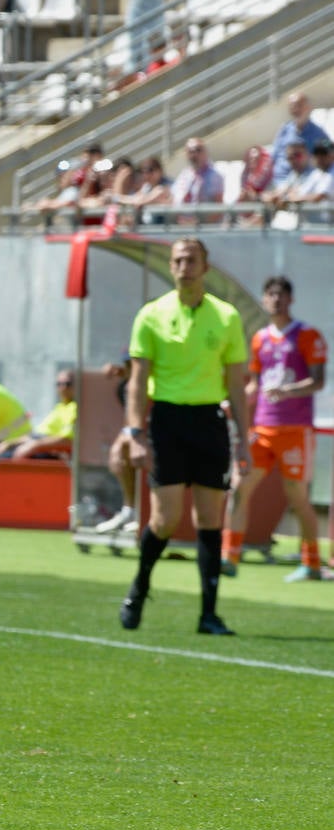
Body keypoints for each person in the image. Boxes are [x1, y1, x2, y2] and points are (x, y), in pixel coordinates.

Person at [118, 237, 249, 635]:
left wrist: (244, 438)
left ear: (205, 267)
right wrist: (135, 434)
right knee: (165, 519)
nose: (183, 267)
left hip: (210, 422)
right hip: (168, 423)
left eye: (191, 260)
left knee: (210, 518)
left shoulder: (226, 317)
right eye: (177, 260)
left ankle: (208, 614)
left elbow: (237, 386)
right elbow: (137, 383)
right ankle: (139, 588)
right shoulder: (151, 315)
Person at [222, 276, 326, 582]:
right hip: (263, 428)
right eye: (270, 295)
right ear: (264, 300)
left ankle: (312, 563)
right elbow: (255, 384)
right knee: (239, 487)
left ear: (290, 300)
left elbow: (318, 381)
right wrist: (236, 401)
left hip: (295, 430)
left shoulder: (307, 335)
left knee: (297, 495)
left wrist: (288, 390)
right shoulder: (259, 338)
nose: (275, 300)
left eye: (281, 295)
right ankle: (229, 557)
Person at [95, 356, 140, 533]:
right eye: (128, 364)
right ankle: (131, 510)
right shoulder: (126, 386)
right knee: (122, 456)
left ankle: (141, 512)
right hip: (138, 434)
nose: (132, 368)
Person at [0, 369, 76, 459]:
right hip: (37, 443)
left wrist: (34, 446)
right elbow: (37, 435)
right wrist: (9, 443)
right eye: (59, 384)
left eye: (67, 384)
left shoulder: (78, 409)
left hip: (49, 451)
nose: (63, 388)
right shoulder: (60, 407)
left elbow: (67, 440)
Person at [269, 92, 330, 190]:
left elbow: (330, 157)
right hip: (279, 181)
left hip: (305, 183)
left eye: (298, 105)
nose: (295, 109)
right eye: (291, 106)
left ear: (308, 108)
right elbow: (273, 158)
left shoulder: (319, 133)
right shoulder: (284, 130)